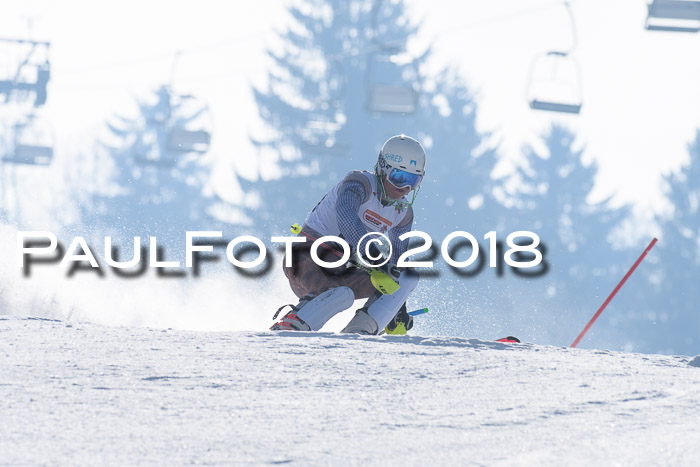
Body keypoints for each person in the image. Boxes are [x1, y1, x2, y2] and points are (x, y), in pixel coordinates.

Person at [270, 134, 426, 335]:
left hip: (342, 272)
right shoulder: (359, 183)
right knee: (342, 295)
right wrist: (370, 252)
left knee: (407, 276)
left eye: (413, 181)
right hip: (307, 258)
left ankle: (360, 331)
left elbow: (397, 261)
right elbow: (346, 216)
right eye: (400, 178)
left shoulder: (403, 212)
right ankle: (292, 325)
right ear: (383, 169)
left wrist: (396, 306)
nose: (404, 189)